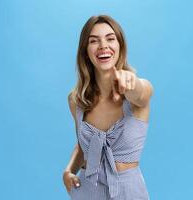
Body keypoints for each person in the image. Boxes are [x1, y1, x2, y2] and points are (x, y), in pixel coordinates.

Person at [62, 15, 154, 200]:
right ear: (85, 51)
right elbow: (83, 145)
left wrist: (131, 83)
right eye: (94, 41)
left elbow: (141, 93)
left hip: (128, 192)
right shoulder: (76, 100)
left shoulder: (140, 92)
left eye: (110, 38)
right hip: (87, 191)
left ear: (120, 45)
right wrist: (68, 171)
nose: (103, 45)